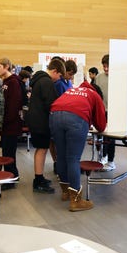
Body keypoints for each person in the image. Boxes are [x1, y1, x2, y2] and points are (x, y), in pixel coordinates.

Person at [50, 80, 107, 211]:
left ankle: (65, 192)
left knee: (61, 156)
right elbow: (101, 125)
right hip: (75, 118)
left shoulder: (71, 90)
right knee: (73, 159)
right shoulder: (95, 95)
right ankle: (76, 200)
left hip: (54, 115)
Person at [24, 58, 65, 193]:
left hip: (36, 120)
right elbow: (51, 104)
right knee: (41, 149)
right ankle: (38, 181)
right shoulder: (46, 81)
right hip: (41, 121)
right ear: (54, 71)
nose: (58, 79)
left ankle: (39, 178)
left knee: (41, 149)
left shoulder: (38, 80)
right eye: (59, 76)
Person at [0, 57, 23, 179]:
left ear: (6, 67)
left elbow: (13, 104)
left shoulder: (13, 82)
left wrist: (6, 121)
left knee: (9, 153)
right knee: (6, 151)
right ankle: (10, 175)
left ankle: (12, 176)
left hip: (11, 124)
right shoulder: (5, 82)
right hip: (6, 123)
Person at [95, 54, 115, 171]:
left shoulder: (118, 77)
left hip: (113, 111)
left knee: (111, 138)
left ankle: (111, 161)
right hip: (102, 111)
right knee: (102, 136)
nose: (106, 68)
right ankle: (103, 156)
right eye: (104, 66)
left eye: (108, 66)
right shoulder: (99, 77)